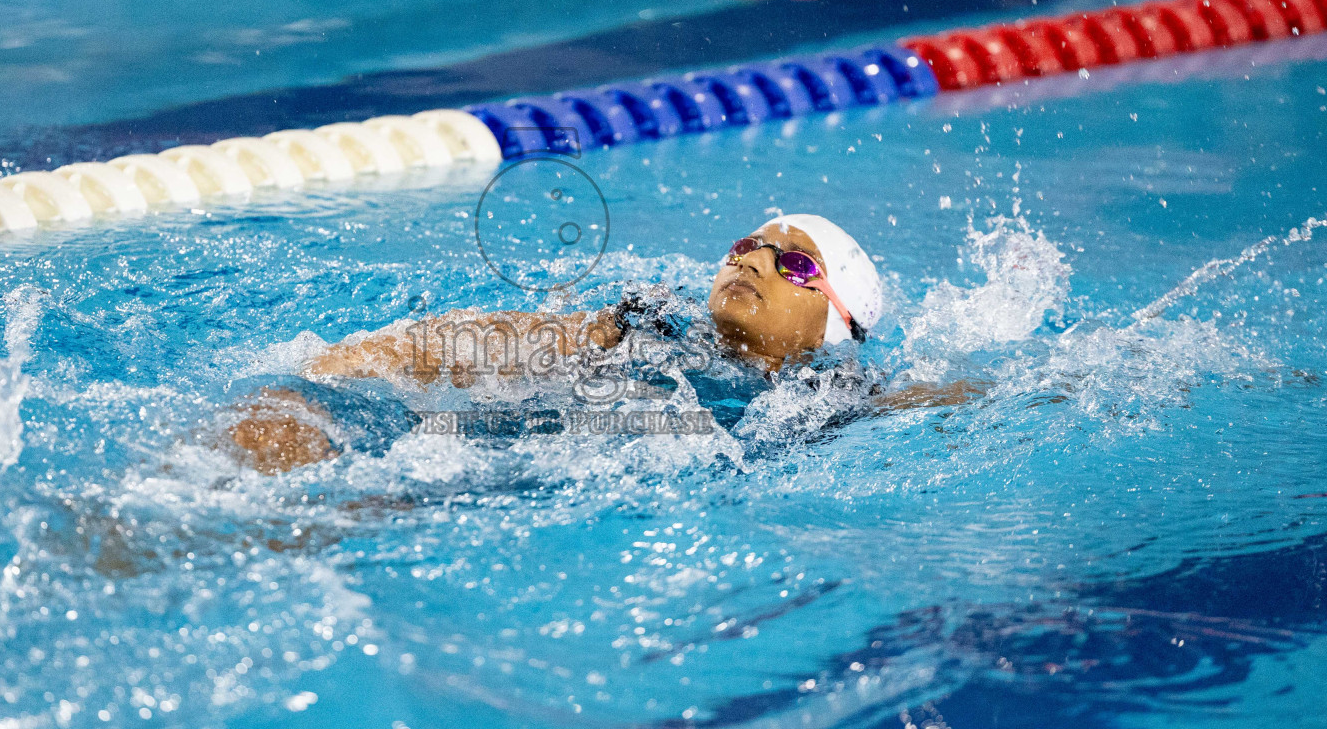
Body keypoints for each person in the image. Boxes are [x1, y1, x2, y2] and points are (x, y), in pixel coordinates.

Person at [228, 214, 976, 473]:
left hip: (526, 474)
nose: (752, 260)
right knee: (280, 412)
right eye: (747, 244)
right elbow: (490, 343)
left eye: (797, 265)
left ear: (835, 324)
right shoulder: (649, 319)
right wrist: (366, 358)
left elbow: (945, 402)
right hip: (485, 432)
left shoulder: (831, 396)